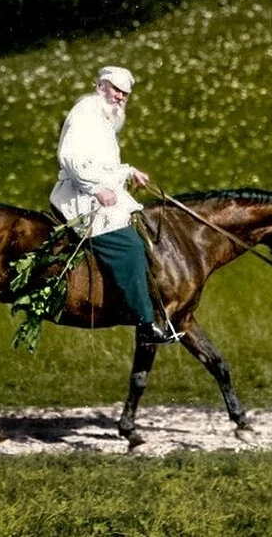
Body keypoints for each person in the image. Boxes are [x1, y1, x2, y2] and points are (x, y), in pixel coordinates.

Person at [50, 65, 179, 346]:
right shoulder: (86, 111)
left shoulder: (105, 119)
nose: (121, 97)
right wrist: (96, 188)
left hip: (100, 192)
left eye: (125, 94)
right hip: (80, 195)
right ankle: (145, 324)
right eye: (117, 90)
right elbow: (70, 157)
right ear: (101, 86)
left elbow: (102, 163)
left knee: (144, 231)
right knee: (129, 246)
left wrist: (129, 171)